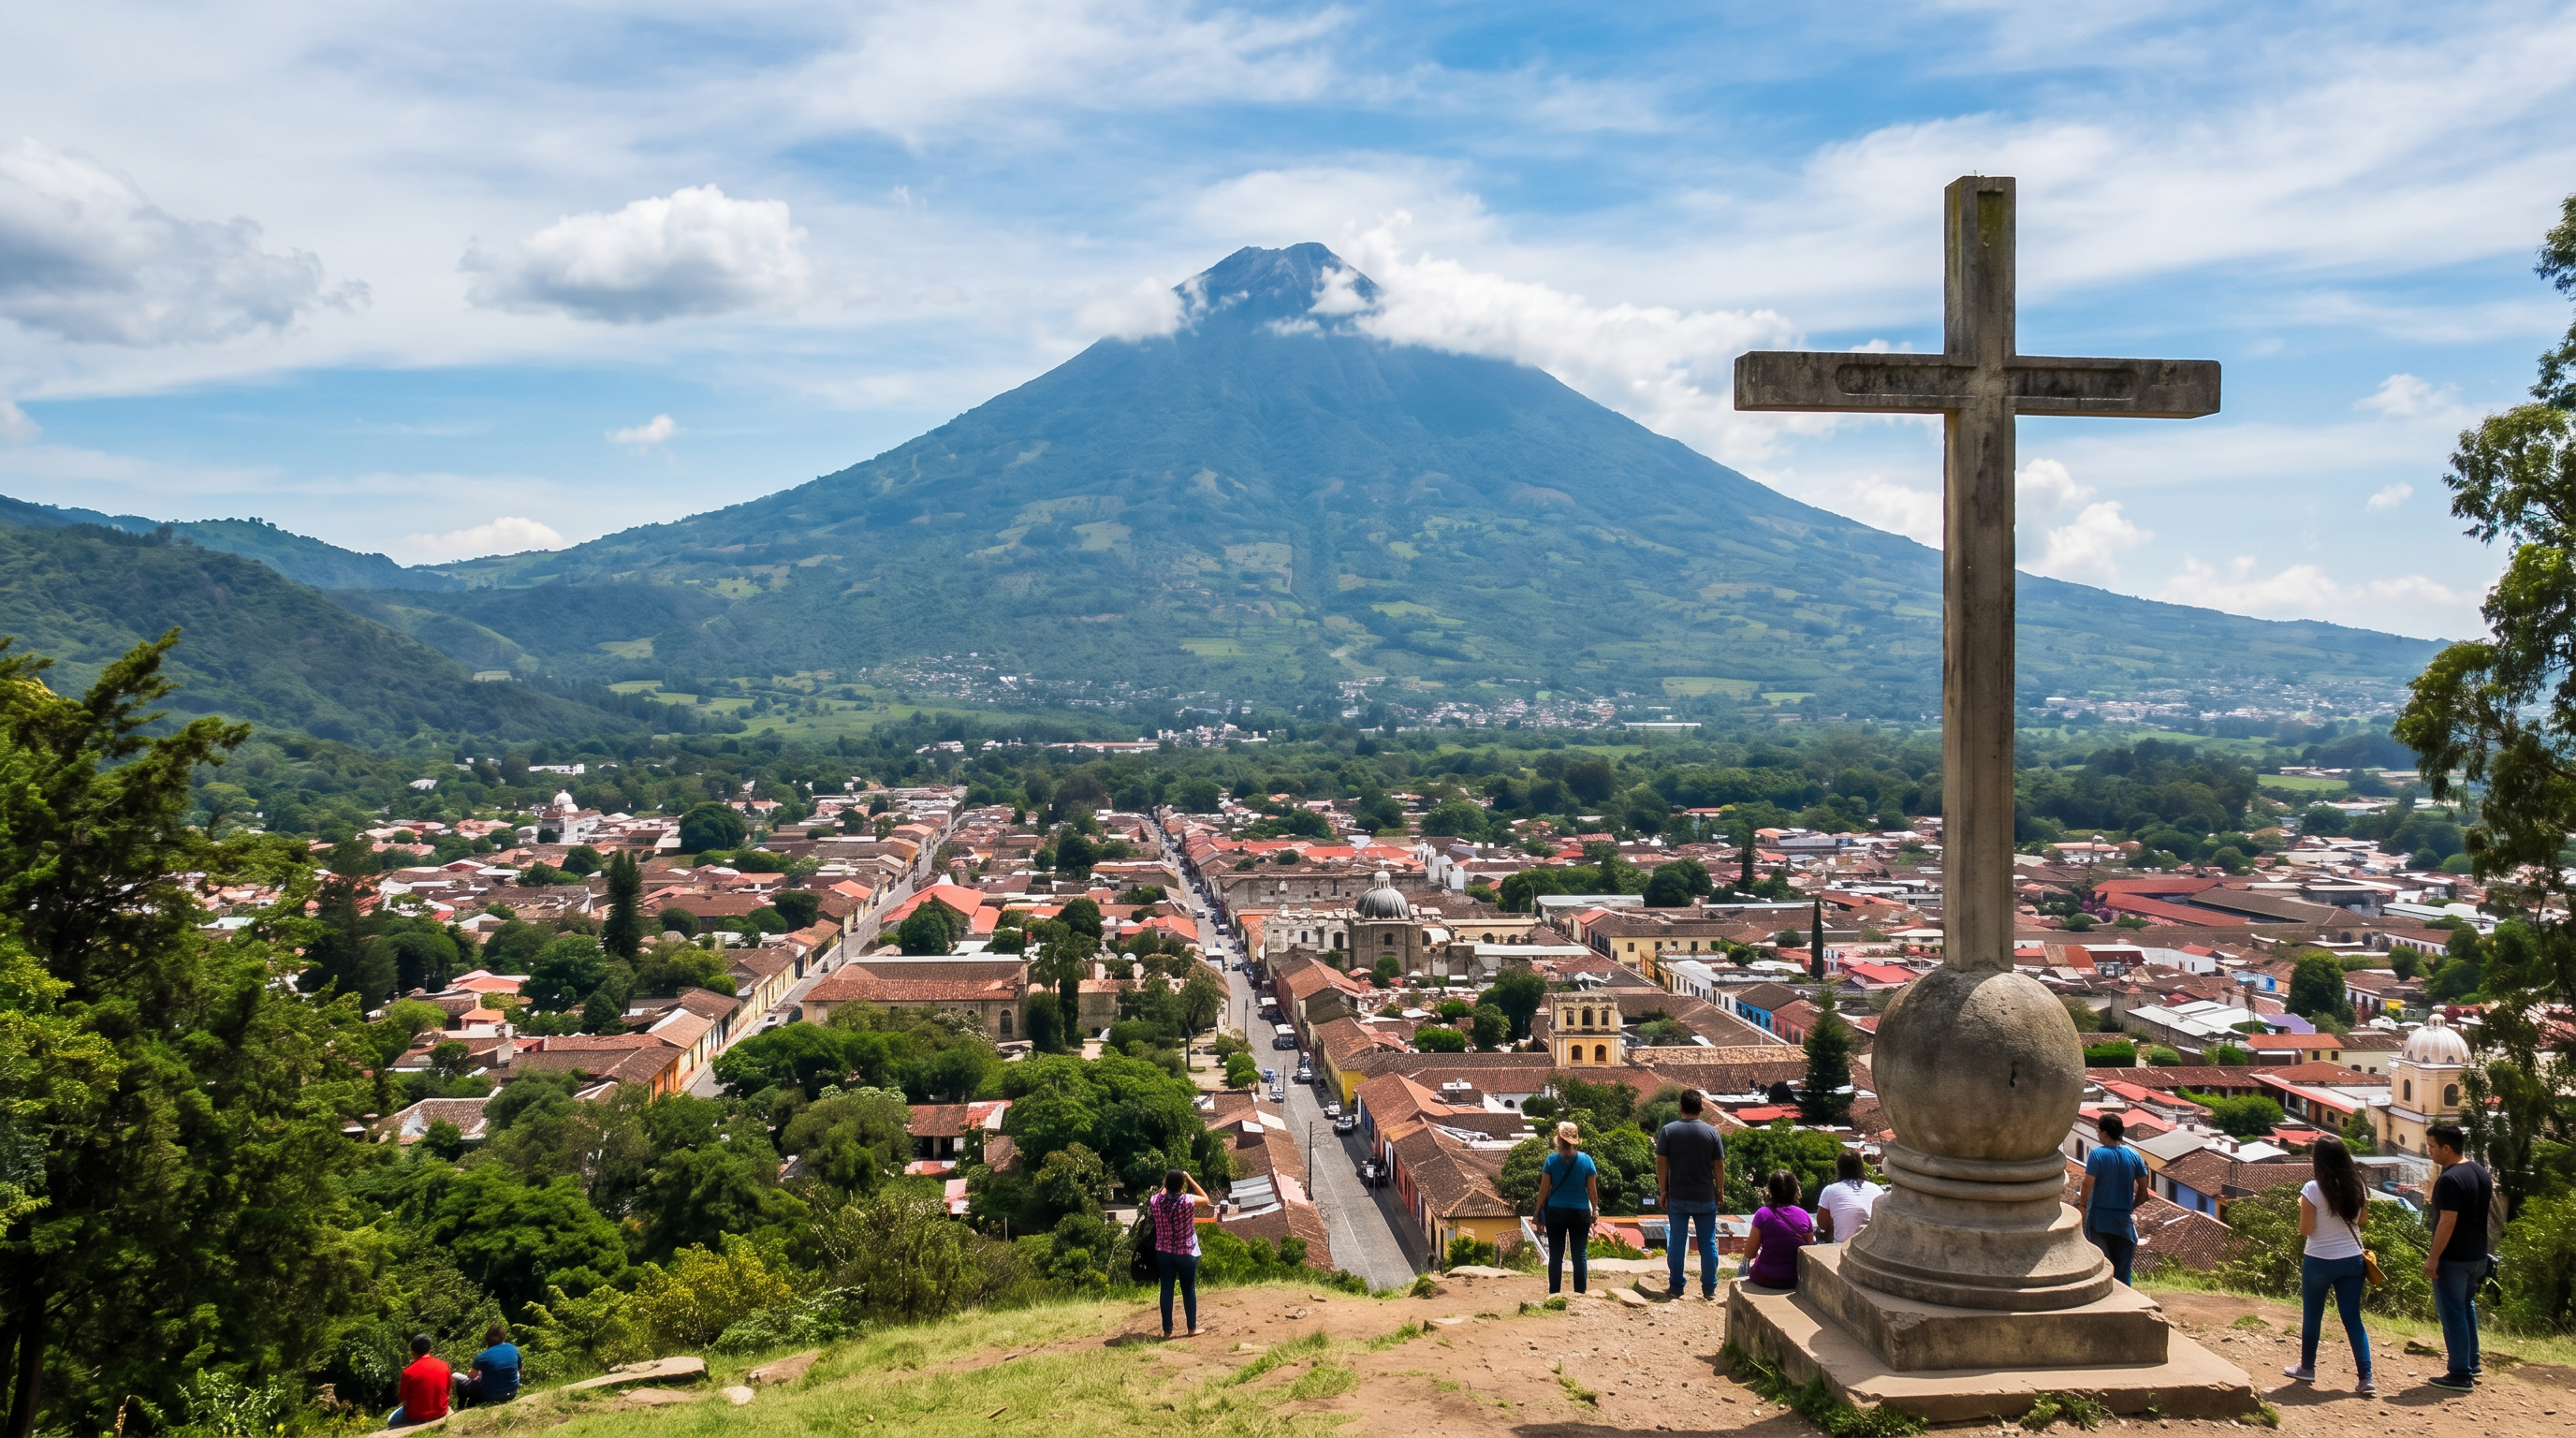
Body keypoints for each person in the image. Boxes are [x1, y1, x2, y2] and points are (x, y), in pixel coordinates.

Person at [2281, 1136, 2374, 1394]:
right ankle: (2366, 1378)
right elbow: (2362, 1221)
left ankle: (2307, 1368)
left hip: (2319, 1260)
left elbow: (2305, 1229)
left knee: (2313, 1315)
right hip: (2352, 1260)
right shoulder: (2359, 1187)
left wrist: (2305, 1207)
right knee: (2353, 1319)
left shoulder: (2312, 1189)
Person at [2422, 1123, 2492, 1392]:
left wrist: (2433, 1258)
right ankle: (2472, 1364)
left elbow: (2447, 1222)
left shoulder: (2449, 1180)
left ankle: (2460, 1373)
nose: (2429, 1152)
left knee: (2452, 1314)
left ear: (2446, 1148)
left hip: (2454, 1259)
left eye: (2431, 1147)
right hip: (2477, 1256)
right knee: (2465, 1308)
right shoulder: (2479, 1171)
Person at [1655, 1090, 1725, 1299]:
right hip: (1705, 1197)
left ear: (1680, 1108)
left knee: (1677, 1241)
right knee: (1707, 1243)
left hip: (1678, 1196)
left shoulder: (1668, 1131)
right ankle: (1709, 1289)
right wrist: (1720, 1190)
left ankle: (1676, 1287)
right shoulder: (1712, 1133)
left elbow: (1661, 1162)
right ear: (1701, 1108)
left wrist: (1663, 1190)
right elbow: (1719, 1165)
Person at [2075, 1113, 2151, 1286]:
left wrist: (2083, 1206)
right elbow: (2143, 1190)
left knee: (2103, 1268)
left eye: (2099, 1131)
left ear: (2105, 1133)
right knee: (2123, 1271)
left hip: (2099, 1221)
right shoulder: (2134, 1155)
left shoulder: (2097, 1155)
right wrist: (2131, 1207)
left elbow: (2087, 1182)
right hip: (2123, 1222)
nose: (2098, 1135)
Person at [1534, 1121, 1601, 1296]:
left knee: (1556, 1256)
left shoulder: (1551, 1160)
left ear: (1558, 1139)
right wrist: (1595, 1210)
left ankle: (1554, 1294)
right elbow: (1592, 1191)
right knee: (1580, 1255)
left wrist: (1537, 1212)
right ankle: (1580, 1293)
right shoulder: (1586, 1161)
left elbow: (1544, 1189)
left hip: (1556, 1211)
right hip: (1580, 1212)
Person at [1149, 1167, 1211, 1339]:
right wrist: (1189, 1177)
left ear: (1165, 1184)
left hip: (1163, 1251)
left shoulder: (1155, 1201)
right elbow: (1206, 1199)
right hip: (1186, 1251)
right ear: (1182, 1186)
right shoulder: (1187, 1200)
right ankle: (1191, 1328)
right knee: (1188, 1288)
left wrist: (1166, 1183)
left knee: (1166, 1289)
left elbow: (1161, 1193)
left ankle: (1167, 1330)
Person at [1745, 1169, 1814, 1289]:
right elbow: (1809, 1249)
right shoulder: (1804, 1215)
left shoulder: (1762, 1214)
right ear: (1795, 1191)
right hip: (1793, 1279)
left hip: (1765, 1277)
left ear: (1770, 1191)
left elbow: (1749, 1253)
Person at [1814, 1151, 1884, 1244]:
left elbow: (1822, 1224)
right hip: (1872, 1247)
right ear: (1860, 1167)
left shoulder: (1830, 1190)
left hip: (1842, 1246)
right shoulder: (1877, 1189)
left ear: (1839, 1168)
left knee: (1828, 1230)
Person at [384, 1334, 450, 1429]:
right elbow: (448, 1393)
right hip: (441, 1411)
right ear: (429, 1348)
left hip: (416, 1417)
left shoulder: (407, 1373)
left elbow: (405, 1403)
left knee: (390, 1419)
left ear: (413, 1352)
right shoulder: (444, 1365)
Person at [453, 1323, 521, 1408]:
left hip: (488, 1397)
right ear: (503, 1337)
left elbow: (471, 1376)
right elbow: (520, 1370)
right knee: (517, 1374)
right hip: (511, 1394)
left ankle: (461, 1408)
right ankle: (470, 1404)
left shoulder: (482, 1357)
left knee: (457, 1377)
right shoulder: (513, 1349)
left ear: (486, 1340)